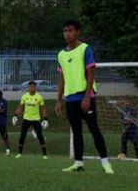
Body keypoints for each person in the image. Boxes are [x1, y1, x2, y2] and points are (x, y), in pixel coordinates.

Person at [55, 19, 113, 173]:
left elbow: (91, 73)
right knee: (76, 131)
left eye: (71, 30)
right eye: (65, 31)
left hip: (85, 97)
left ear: (78, 32)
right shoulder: (61, 54)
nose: (68, 34)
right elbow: (61, 78)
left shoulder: (85, 49)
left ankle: (105, 163)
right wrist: (59, 100)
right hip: (70, 99)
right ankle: (78, 163)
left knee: (94, 129)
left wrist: (87, 97)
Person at [13, 81, 49, 159]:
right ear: (28, 88)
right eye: (30, 87)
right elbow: (20, 107)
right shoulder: (24, 96)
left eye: (33, 87)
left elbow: (43, 109)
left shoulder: (39, 97)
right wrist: (15, 115)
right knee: (22, 135)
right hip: (26, 119)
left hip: (36, 119)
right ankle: (19, 153)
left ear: (35, 87)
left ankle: (45, 155)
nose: (32, 88)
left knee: (40, 136)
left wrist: (45, 119)